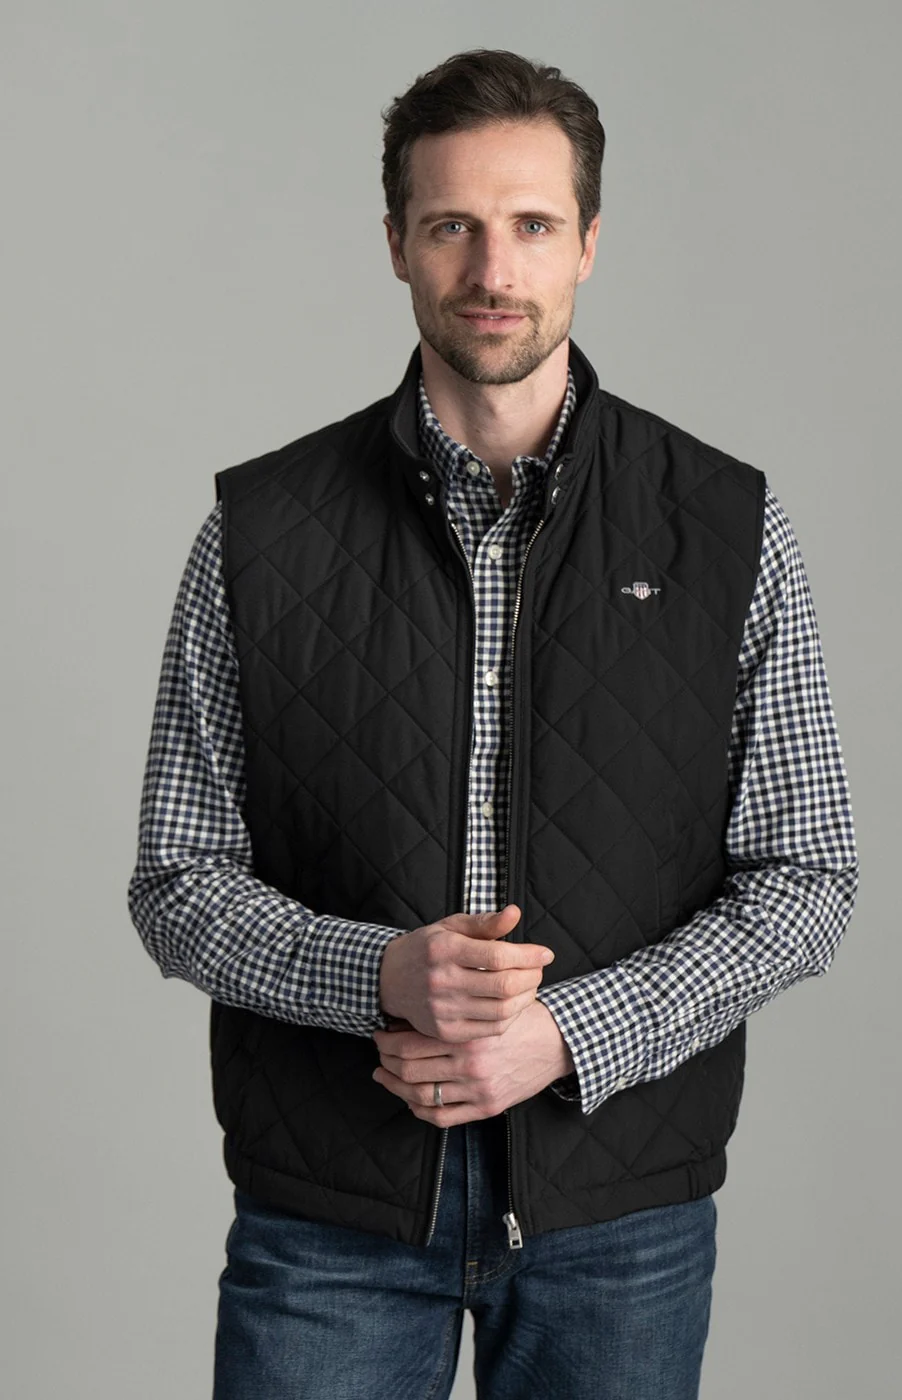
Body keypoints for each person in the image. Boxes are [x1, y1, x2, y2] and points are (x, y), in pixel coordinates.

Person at [127, 47, 858, 1400]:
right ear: (395, 243)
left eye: (530, 224)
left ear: (590, 242)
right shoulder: (259, 532)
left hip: (617, 1220)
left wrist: (573, 1035)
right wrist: (379, 976)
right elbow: (178, 882)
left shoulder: (728, 527)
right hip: (330, 1216)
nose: (491, 269)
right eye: (452, 225)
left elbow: (807, 876)